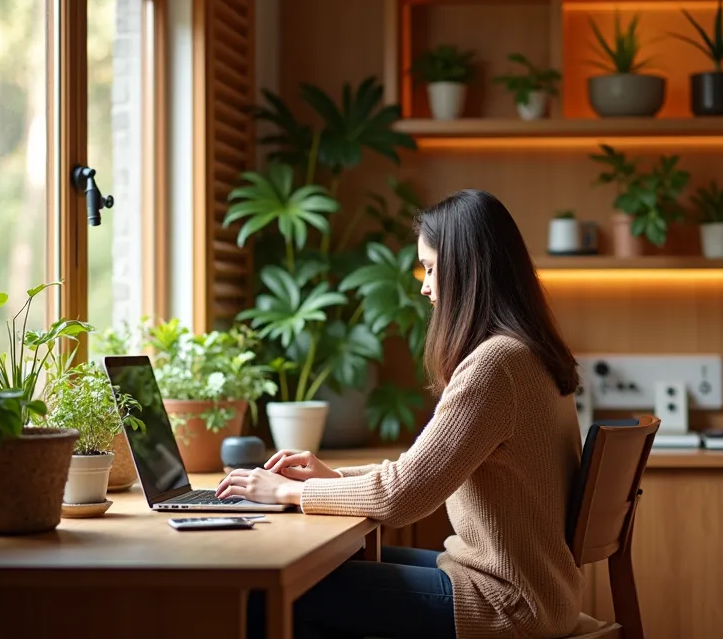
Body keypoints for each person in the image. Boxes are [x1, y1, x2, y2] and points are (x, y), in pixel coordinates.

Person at [218, 188, 586, 639]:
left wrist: (287, 493)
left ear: (468, 270)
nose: (424, 285)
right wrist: (329, 479)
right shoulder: (528, 355)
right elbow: (414, 475)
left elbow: (402, 497)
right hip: (532, 591)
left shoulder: (497, 365)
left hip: (508, 603)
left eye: (430, 268)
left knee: (268, 593)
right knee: (321, 569)